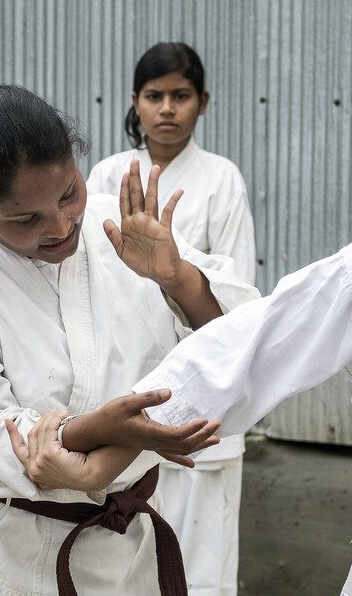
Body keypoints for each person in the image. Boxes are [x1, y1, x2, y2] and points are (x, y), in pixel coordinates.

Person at [60, 44, 352, 596]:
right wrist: (115, 426)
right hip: (175, 402)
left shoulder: (222, 178)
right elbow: (261, 335)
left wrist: (179, 278)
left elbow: (236, 297)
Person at [0, 84, 258, 595]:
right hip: (9, 559)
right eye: (26, 219)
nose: (61, 225)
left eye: (69, 193)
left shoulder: (120, 225)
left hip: (128, 549)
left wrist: (175, 276)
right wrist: (92, 432)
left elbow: (246, 332)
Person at [86, 41, 255, 595]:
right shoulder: (108, 176)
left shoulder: (222, 178)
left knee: (203, 561)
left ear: (202, 102)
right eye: (154, 96)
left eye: (180, 96)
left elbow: (238, 299)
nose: (166, 108)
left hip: (204, 379)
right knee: (126, 554)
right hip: (127, 376)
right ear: (134, 102)